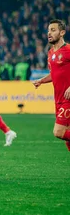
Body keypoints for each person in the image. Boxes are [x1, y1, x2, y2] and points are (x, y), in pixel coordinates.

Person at [32, 19, 70, 150]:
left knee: (58, 132)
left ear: (62, 32)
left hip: (68, 98)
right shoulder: (50, 53)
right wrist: (42, 81)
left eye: (53, 30)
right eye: (48, 31)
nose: (49, 33)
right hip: (58, 99)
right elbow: (55, 74)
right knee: (67, 138)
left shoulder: (68, 49)